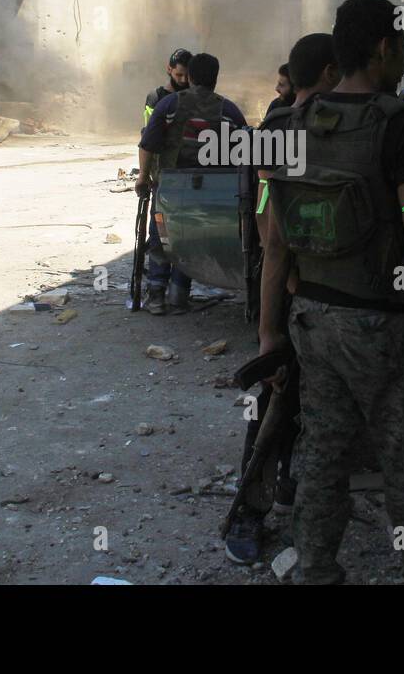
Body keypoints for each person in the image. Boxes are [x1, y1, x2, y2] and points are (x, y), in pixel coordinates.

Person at [259, 0, 404, 584]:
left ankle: (315, 569)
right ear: (383, 48)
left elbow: (274, 245)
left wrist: (269, 333)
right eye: (399, 45)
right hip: (381, 323)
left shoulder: (288, 125)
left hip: (310, 316)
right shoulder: (399, 126)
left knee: (323, 452)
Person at [224, 33, 340, 564]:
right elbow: (269, 226)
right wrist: (271, 323)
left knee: (319, 411)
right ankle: (250, 510)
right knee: (271, 405)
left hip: (329, 299)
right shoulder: (276, 132)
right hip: (287, 290)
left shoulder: (346, 130)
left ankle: (294, 490)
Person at [136, 52, 246, 315]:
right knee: (193, 240)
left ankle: (156, 298)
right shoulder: (228, 110)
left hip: (172, 186)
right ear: (216, 79)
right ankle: (179, 295)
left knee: (161, 240)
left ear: (192, 77)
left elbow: (148, 143)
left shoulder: (170, 105)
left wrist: (142, 177)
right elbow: (246, 151)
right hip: (217, 189)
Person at [143, 48, 191, 127]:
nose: (184, 80)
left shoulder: (199, 96)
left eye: (187, 75)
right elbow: (148, 132)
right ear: (169, 69)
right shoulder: (156, 97)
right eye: (179, 75)